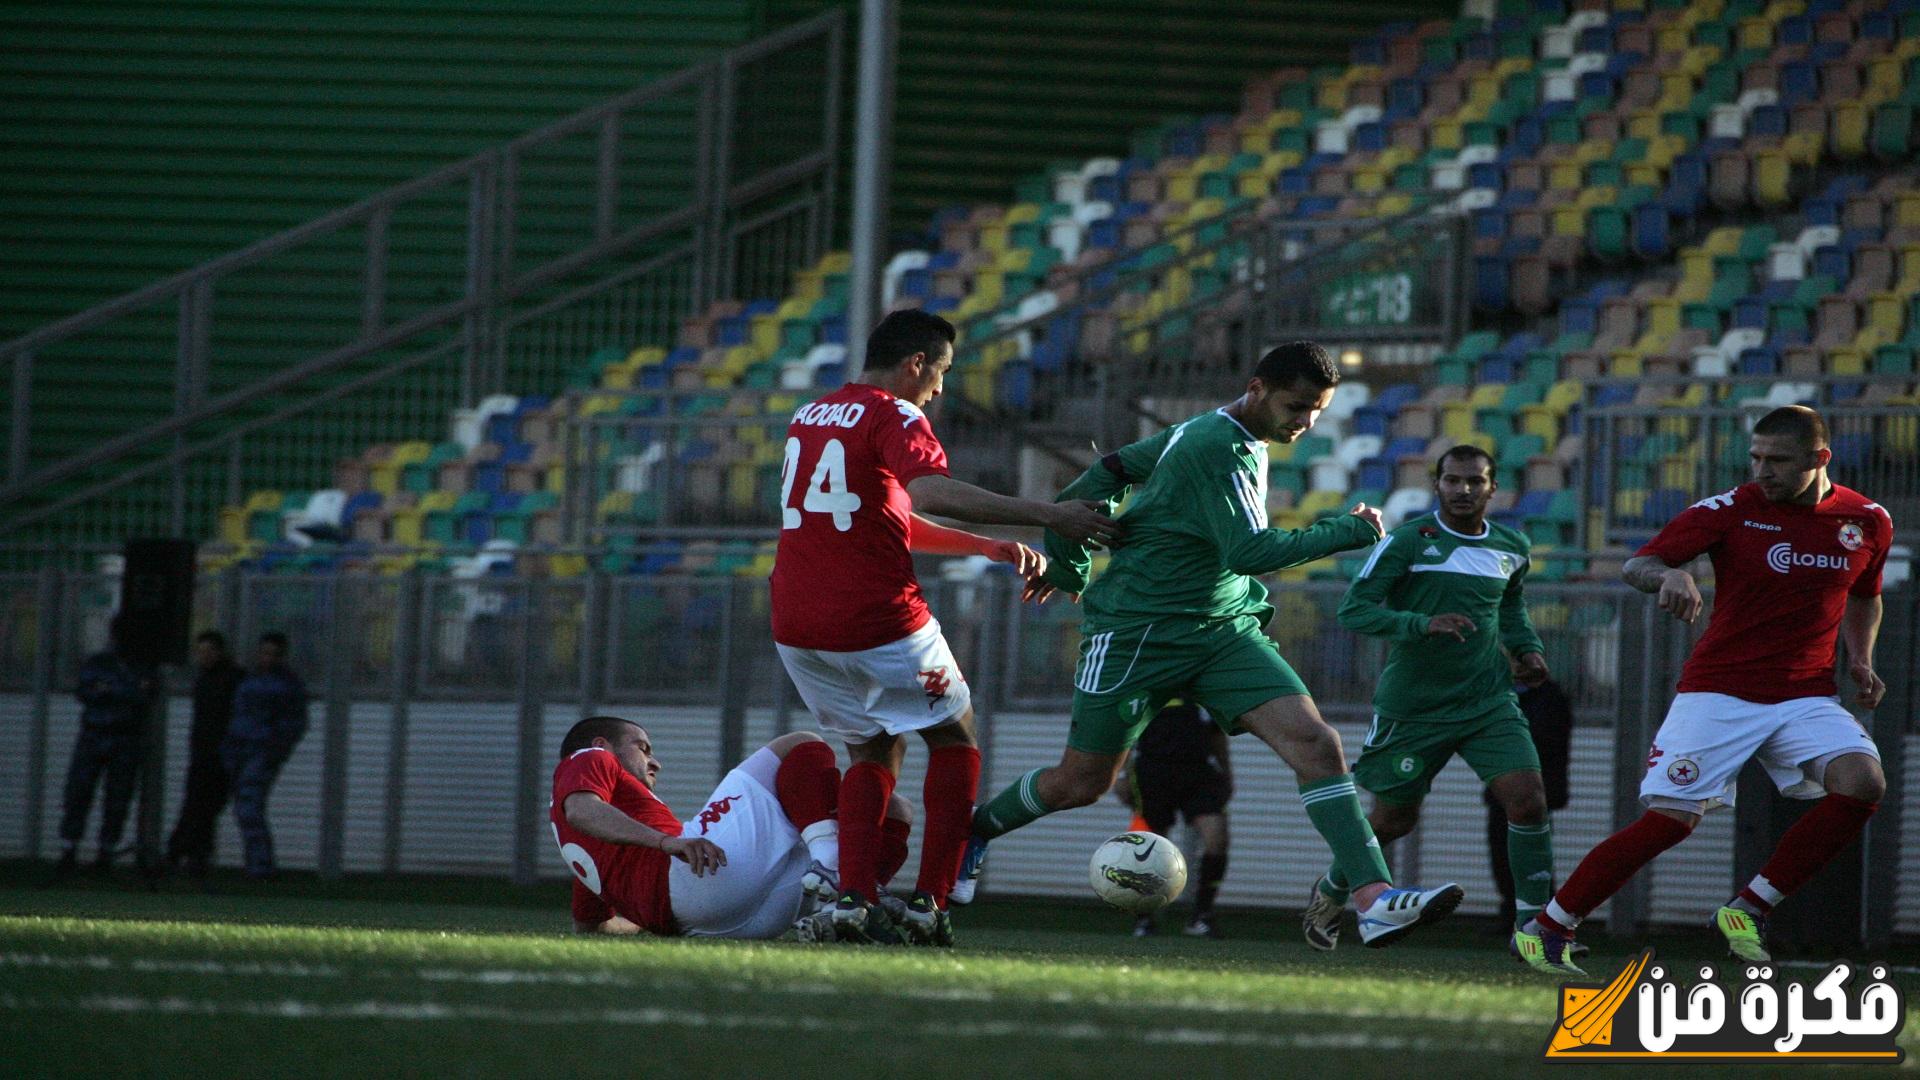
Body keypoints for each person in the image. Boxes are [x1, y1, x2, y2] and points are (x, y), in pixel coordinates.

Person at [957, 341, 1465, 949]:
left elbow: (1109, 472)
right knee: (1081, 783)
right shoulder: (1217, 448)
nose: (1304, 423)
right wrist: (1347, 530)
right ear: (1256, 389)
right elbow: (1250, 553)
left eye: (1316, 412)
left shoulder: (1207, 432)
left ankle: (1373, 899)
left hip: (1222, 631)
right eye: (1296, 406)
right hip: (1137, 634)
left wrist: (1070, 561)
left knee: (1317, 744)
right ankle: (974, 831)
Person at [770, 308, 1120, 946]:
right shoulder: (896, 414)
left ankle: (852, 900)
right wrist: (1047, 515)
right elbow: (927, 491)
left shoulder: (813, 415)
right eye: (941, 373)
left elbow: (882, 516)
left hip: (797, 625)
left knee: (873, 750)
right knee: (955, 739)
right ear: (915, 364)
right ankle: (932, 903)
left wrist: (984, 547)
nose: (939, 389)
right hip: (876, 617)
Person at [1519, 406, 1893, 975]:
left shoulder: (1867, 520)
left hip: (1806, 696)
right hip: (1720, 691)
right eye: (1756, 457)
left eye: (1778, 460)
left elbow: (1865, 593)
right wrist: (1670, 574)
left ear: (1820, 459)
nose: (1762, 470)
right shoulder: (1729, 510)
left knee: (1862, 783)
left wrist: (1860, 659)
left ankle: (1750, 905)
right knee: (1671, 820)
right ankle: (1546, 928)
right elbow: (1638, 564)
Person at [1303, 445, 1554, 955]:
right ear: (1435, 485)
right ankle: (1331, 891)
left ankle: (1535, 929)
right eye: (1452, 481)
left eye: (1474, 482)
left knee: (1528, 801)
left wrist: (1527, 648)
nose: (1462, 490)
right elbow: (1354, 609)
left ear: (1493, 489)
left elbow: (1510, 608)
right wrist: (1420, 624)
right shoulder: (1408, 541)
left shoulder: (1512, 546)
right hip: (1414, 706)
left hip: (1489, 701)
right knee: (1395, 818)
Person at [554, 715, 916, 941]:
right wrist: (666, 843)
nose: (655, 761)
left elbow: (591, 927)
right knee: (801, 744)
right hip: (700, 878)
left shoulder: (594, 849)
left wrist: (646, 921)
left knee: (893, 809)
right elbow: (583, 809)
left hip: (712, 924)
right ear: (600, 745)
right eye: (643, 747)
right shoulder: (589, 758)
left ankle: (842, 909)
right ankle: (833, 868)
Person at [55, 614, 158, 875]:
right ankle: (69, 847)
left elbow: (141, 695)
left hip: (125, 738)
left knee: (117, 797)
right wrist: (122, 689)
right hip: (94, 736)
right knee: (79, 792)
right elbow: (86, 691)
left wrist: (110, 689)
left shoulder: (142, 665)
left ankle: (105, 850)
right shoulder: (99, 662)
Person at [1121, 699, 1233, 938]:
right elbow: (1123, 734)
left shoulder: (1203, 692)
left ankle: (1202, 916)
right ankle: (1145, 918)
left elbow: (1217, 735)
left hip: (1198, 773)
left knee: (1217, 839)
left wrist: (1227, 772)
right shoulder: (1146, 690)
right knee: (1150, 846)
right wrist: (1121, 775)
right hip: (1152, 771)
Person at [1484, 671, 1573, 929]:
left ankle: (1540, 914)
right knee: (1503, 853)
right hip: (1503, 788)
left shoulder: (1548, 698)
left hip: (1535, 790)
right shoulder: (1505, 693)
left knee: (1531, 854)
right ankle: (1514, 911)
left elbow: (1543, 742)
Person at [220, 631, 310, 879]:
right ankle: (257, 863)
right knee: (245, 808)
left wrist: (273, 749)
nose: (267, 658)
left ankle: (260, 866)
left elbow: (293, 724)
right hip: (241, 750)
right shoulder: (250, 680)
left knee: (248, 807)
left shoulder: (285, 685)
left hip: (259, 751)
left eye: (273, 654)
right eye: (264, 653)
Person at [166, 630, 246, 877]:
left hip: (220, 754)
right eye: (200, 652)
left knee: (202, 807)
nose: (204, 656)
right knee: (199, 807)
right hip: (204, 753)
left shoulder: (231, 680)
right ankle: (193, 856)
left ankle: (182, 854)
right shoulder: (206, 680)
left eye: (208, 651)